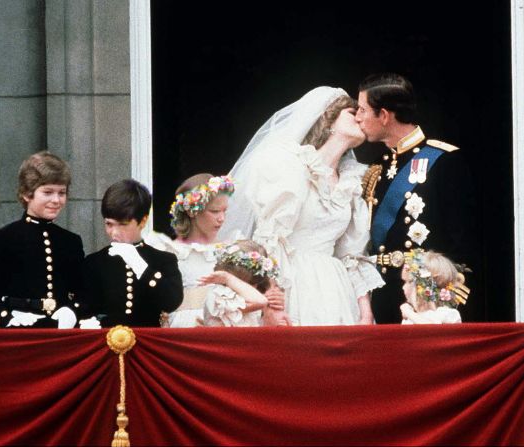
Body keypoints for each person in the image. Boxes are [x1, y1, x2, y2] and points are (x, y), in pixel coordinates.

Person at [220, 86, 384, 326]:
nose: (360, 118)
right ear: (329, 121)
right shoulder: (291, 166)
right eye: (352, 112)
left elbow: (351, 254)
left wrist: (365, 311)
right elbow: (271, 239)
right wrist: (272, 298)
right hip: (293, 283)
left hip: (336, 289)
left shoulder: (351, 181)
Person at [355, 73, 477, 324]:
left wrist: (444, 297)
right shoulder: (377, 169)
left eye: (363, 110)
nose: (358, 118)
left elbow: (461, 242)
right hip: (382, 294)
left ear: (385, 116)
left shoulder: (443, 161)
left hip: (425, 299)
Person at [148, 173, 287, 327]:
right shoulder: (168, 250)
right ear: (192, 211)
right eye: (214, 211)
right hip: (186, 326)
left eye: (224, 211)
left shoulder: (234, 247)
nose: (221, 218)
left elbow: (258, 288)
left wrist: (269, 294)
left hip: (231, 323)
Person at [0, 151, 84, 329]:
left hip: (60, 334)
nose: (56, 200)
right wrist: (7, 317)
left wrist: (71, 311)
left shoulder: (71, 241)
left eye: (62, 193)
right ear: (27, 194)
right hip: (18, 335)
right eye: (48, 192)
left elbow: (83, 291)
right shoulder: (4, 238)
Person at [81, 179, 183, 327]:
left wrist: (141, 267)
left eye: (123, 224)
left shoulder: (163, 260)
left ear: (143, 221)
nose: (114, 233)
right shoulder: (94, 262)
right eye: (109, 224)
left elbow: (172, 302)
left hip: (147, 345)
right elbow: (85, 308)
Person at [201, 240, 279, 327]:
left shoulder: (252, 296)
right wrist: (227, 278)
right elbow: (261, 301)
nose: (254, 287)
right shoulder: (220, 296)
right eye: (250, 283)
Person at [399, 249, 469, 324]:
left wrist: (408, 313)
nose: (403, 287)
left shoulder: (448, 314)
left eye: (409, 282)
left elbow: (432, 328)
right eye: (404, 282)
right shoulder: (410, 319)